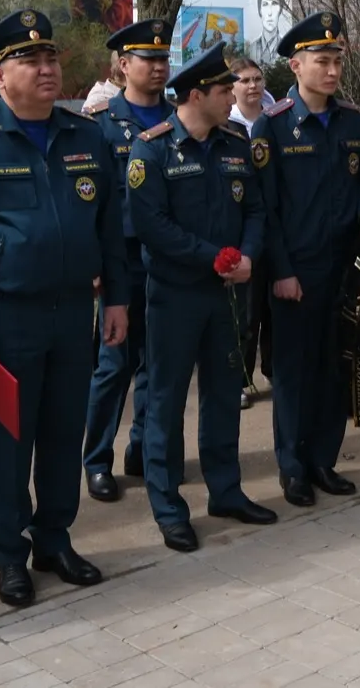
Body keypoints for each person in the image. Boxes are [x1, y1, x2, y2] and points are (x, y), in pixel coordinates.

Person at [0, 9, 130, 608]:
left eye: (51, 58)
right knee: (9, 444)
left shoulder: (85, 135)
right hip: (5, 318)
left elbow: (109, 227)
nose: (47, 69)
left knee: (65, 433)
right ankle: (10, 555)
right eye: (30, 60)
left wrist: (117, 297)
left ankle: (54, 540)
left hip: (73, 312)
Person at [126, 44, 279, 552]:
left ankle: (226, 491)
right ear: (197, 95)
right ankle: (169, 508)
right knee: (166, 402)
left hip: (228, 294)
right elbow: (152, 226)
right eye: (223, 90)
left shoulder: (234, 142)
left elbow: (254, 209)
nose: (233, 96)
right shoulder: (152, 150)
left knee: (224, 394)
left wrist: (248, 256)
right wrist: (214, 257)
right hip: (175, 295)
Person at [251, 11, 360, 507]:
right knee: (293, 372)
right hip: (296, 270)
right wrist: (281, 271)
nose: (332, 70)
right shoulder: (273, 126)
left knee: (333, 366)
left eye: (336, 61)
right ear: (296, 66)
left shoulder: (350, 119)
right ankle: (292, 467)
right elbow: (265, 208)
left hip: (344, 266)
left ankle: (324, 459)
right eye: (321, 61)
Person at [79, 21, 171, 504]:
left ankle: (143, 450)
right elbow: (90, 200)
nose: (157, 67)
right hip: (122, 259)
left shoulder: (178, 117)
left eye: (163, 58)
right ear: (123, 65)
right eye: (147, 59)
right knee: (113, 365)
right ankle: (97, 461)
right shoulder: (101, 122)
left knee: (157, 363)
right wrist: (95, 262)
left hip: (168, 258)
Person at [226, 56, 269, 406]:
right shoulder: (227, 124)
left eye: (257, 78)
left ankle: (274, 369)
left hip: (276, 221)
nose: (253, 85)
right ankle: (241, 378)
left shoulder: (275, 118)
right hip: (243, 226)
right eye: (245, 80)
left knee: (274, 306)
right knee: (246, 310)